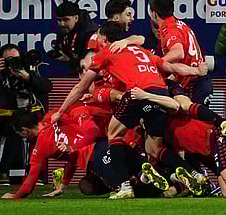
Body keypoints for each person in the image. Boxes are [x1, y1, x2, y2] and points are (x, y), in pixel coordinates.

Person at [52, 21, 208, 198]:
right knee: (153, 148)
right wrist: (195, 71)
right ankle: (194, 173)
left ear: (103, 38)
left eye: (99, 38)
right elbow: (171, 67)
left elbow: (80, 88)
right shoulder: (143, 52)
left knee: (114, 135)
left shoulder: (105, 53)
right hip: (161, 93)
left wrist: (61, 111)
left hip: (138, 93)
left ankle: (124, 187)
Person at [0, 44, 52, 185]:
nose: (13, 62)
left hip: (21, 116)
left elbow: (47, 87)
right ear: (2, 60)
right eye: (9, 60)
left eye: (16, 58)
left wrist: (28, 78)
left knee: (24, 130)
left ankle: (22, 172)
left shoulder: (27, 69)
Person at [149, 0, 213, 105]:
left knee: (197, 120)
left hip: (194, 83)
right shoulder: (180, 24)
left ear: (154, 14)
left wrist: (154, 63)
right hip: (198, 80)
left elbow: (178, 53)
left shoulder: (170, 30)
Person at [47, 1, 98, 75]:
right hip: (76, 72)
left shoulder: (91, 33)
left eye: (66, 20)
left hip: (92, 75)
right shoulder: (62, 32)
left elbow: (90, 62)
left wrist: (68, 60)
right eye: (59, 20)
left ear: (76, 18)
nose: (62, 24)